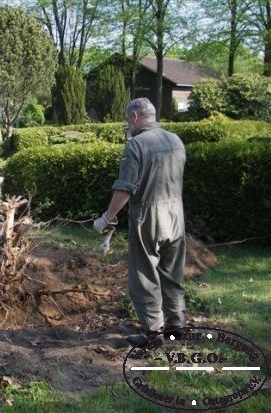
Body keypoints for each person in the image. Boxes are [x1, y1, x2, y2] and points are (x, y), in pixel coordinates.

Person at [93, 97, 186, 346]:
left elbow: (125, 189)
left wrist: (106, 218)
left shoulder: (136, 145)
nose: (127, 124)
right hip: (176, 214)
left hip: (149, 215)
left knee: (144, 275)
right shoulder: (175, 140)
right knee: (172, 273)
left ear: (134, 117)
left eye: (127, 119)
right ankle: (176, 327)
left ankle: (153, 335)